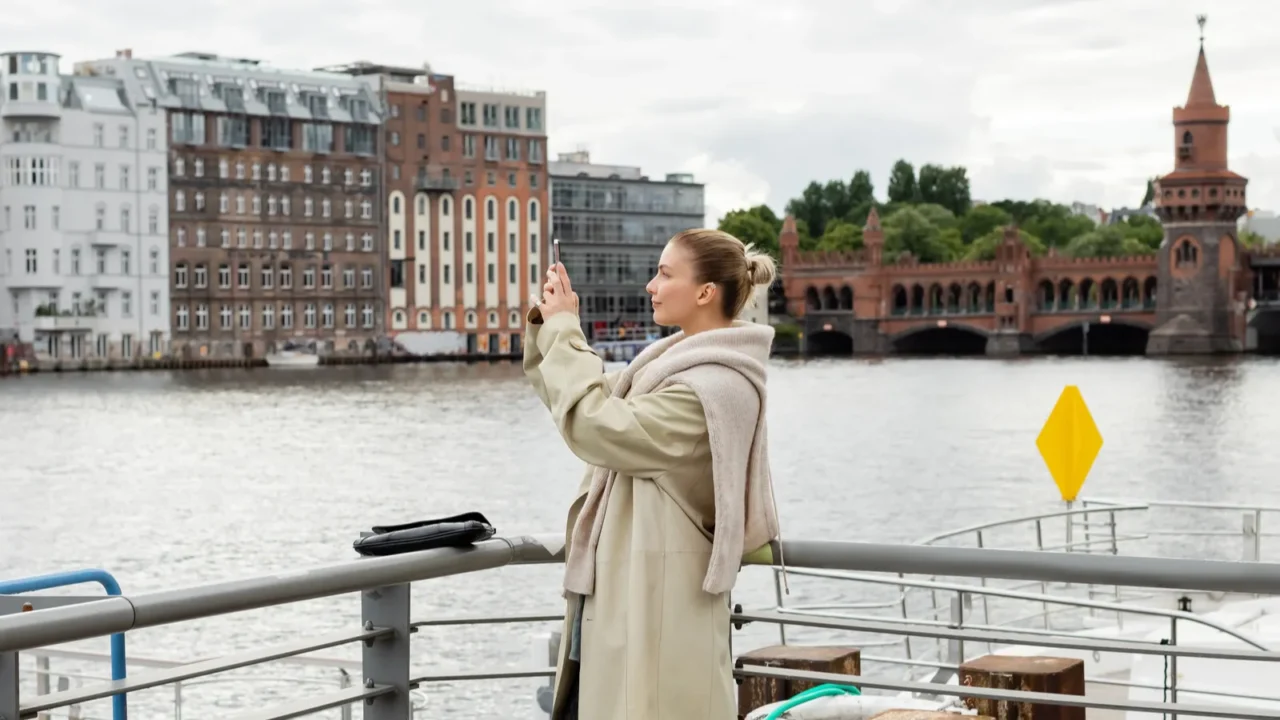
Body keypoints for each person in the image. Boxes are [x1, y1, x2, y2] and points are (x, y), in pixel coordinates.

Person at [523, 228, 786, 719]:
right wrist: (551, 323)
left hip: (654, 608)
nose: (651, 285)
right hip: (628, 599)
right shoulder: (674, 371)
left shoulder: (710, 389)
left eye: (665, 274)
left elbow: (595, 424)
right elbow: (579, 400)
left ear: (705, 292)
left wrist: (565, 330)